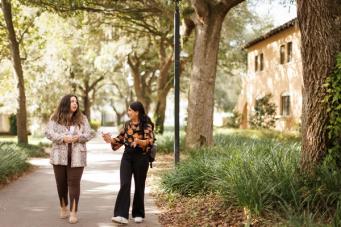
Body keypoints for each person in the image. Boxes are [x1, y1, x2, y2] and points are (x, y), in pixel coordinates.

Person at [45, 94, 95, 224]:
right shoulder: (55, 118)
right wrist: (63, 138)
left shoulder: (82, 118)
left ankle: (73, 212)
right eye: (72, 101)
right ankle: (63, 206)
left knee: (74, 183)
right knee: (61, 183)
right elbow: (48, 133)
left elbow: (89, 133)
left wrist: (79, 138)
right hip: (58, 157)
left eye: (76, 102)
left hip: (78, 156)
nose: (75, 104)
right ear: (65, 103)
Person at [102, 101, 155, 224]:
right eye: (128, 110)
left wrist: (139, 141)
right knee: (125, 183)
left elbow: (149, 141)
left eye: (130, 110)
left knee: (139, 185)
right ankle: (121, 215)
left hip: (141, 157)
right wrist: (109, 139)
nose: (128, 112)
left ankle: (138, 213)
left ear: (137, 112)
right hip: (127, 156)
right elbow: (119, 140)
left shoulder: (146, 125)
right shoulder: (127, 124)